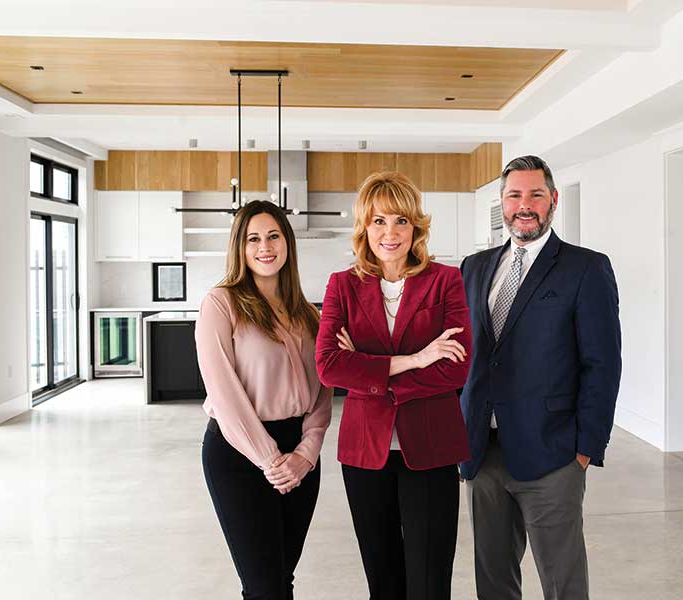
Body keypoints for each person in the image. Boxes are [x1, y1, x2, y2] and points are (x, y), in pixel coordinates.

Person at [458, 155, 622, 600]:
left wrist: (585, 450)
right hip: (481, 452)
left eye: (535, 194)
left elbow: (603, 364)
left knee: (563, 583)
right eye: (514, 195)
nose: (524, 205)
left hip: (553, 453)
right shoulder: (474, 267)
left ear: (553, 200)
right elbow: (462, 355)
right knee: (493, 582)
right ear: (503, 202)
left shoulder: (585, 268)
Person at [316, 171, 472, 600]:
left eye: (401, 220)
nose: (390, 233)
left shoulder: (445, 280)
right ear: (364, 228)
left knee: (430, 582)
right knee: (383, 580)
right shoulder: (342, 285)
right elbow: (329, 367)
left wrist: (368, 373)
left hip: (432, 447)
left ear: (415, 226)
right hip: (366, 452)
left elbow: (456, 369)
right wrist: (418, 359)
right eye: (379, 221)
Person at [196, 200, 333, 600]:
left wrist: (306, 453)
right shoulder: (221, 303)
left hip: (300, 457)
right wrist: (272, 461)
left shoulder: (307, 314)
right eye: (253, 239)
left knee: (280, 577)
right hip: (239, 455)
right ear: (239, 247)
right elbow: (224, 395)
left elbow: (323, 391)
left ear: (287, 243)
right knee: (265, 586)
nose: (265, 247)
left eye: (273, 236)